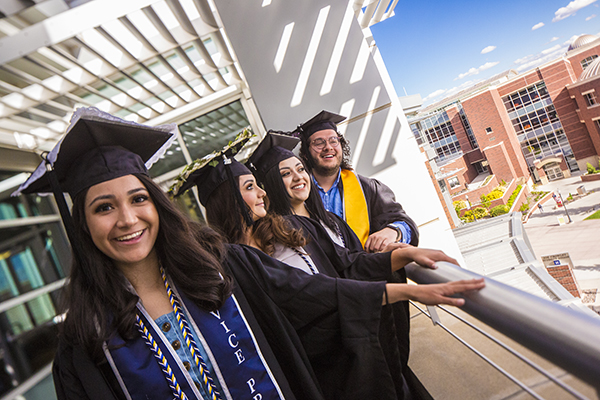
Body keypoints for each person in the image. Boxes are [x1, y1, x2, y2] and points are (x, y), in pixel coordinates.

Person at [171, 131, 485, 399]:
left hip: (348, 347)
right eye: (250, 187)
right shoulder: (231, 263)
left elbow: (347, 263)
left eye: (258, 184)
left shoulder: (291, 228)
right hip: (315, 367)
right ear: (229, 198)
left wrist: (404, 255)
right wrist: (404, 292)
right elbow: (307, 290)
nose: (262, 193)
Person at [296, 110, 418, 252]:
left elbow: (407, 225)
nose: (328, 147)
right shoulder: (297, 194)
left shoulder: (369, 188)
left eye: (334, 141)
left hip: (367, 269)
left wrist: (393, 231)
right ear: (305, 153)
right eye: (319, 143)